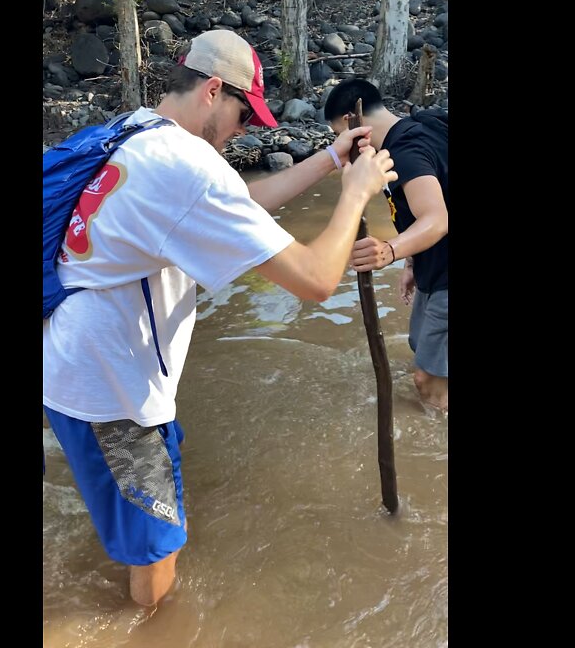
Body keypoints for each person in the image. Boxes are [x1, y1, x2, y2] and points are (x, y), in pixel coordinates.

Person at [43, 30, 396, 607]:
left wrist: (331, 161)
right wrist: (355, 195)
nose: (243, 130)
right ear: (212, 90)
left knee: (139, 519)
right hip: (111, 389)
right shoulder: (186, 169)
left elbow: (245, 207)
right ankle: (148, 630)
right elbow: (314, 279)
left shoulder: (139, 131)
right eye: (241, 114)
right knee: (158, 549)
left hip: (78, 363)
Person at [322, 79, 449, 412]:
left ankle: (432, 458)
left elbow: (436, 219)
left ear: (354, 119)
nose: (344, 147)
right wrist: (411, 262)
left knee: (429, 382)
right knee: (421, 349)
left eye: (341, 135)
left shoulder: (407, 151)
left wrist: (390, 250)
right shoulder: (426, 124)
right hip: (434, 268)